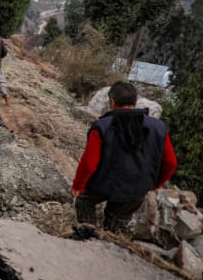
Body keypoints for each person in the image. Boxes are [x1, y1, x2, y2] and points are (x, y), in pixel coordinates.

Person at [72, 82, 177, 232]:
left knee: (84, 202)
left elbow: (89, 163)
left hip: (103, 185)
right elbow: (170, 162)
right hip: (137, 190)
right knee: (116, 223)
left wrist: (78, 185)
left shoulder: (101, 126)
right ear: (135, 102)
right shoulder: (159, 127)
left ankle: (88, 234)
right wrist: (154, 184)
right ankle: (110, 239)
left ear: (112, 101)